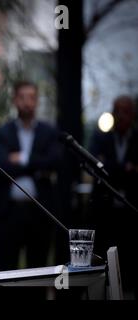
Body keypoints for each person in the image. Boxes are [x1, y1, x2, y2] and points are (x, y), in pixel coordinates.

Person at [0, 81, 61, 273]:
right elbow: (3, 164)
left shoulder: (49, 132)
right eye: (22, 97)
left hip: (40, 211)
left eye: (32, 97)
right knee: (6, 270)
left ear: (37, 101)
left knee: (38, 269)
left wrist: (21, 158)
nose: (27, 102)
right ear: (15, 100)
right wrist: (37, 166)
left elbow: (54, 162)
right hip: (8, 213)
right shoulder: (2, 132)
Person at [89, 95, 138, 296]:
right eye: (117, 111)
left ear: (133, 114)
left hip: (131, 212)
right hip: (105, 213)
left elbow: (108, 168)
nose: (121, 116)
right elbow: (97, 167)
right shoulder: (101, 138)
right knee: (105, 264)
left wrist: (112, 167)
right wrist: (127, 169)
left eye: (126, 111)